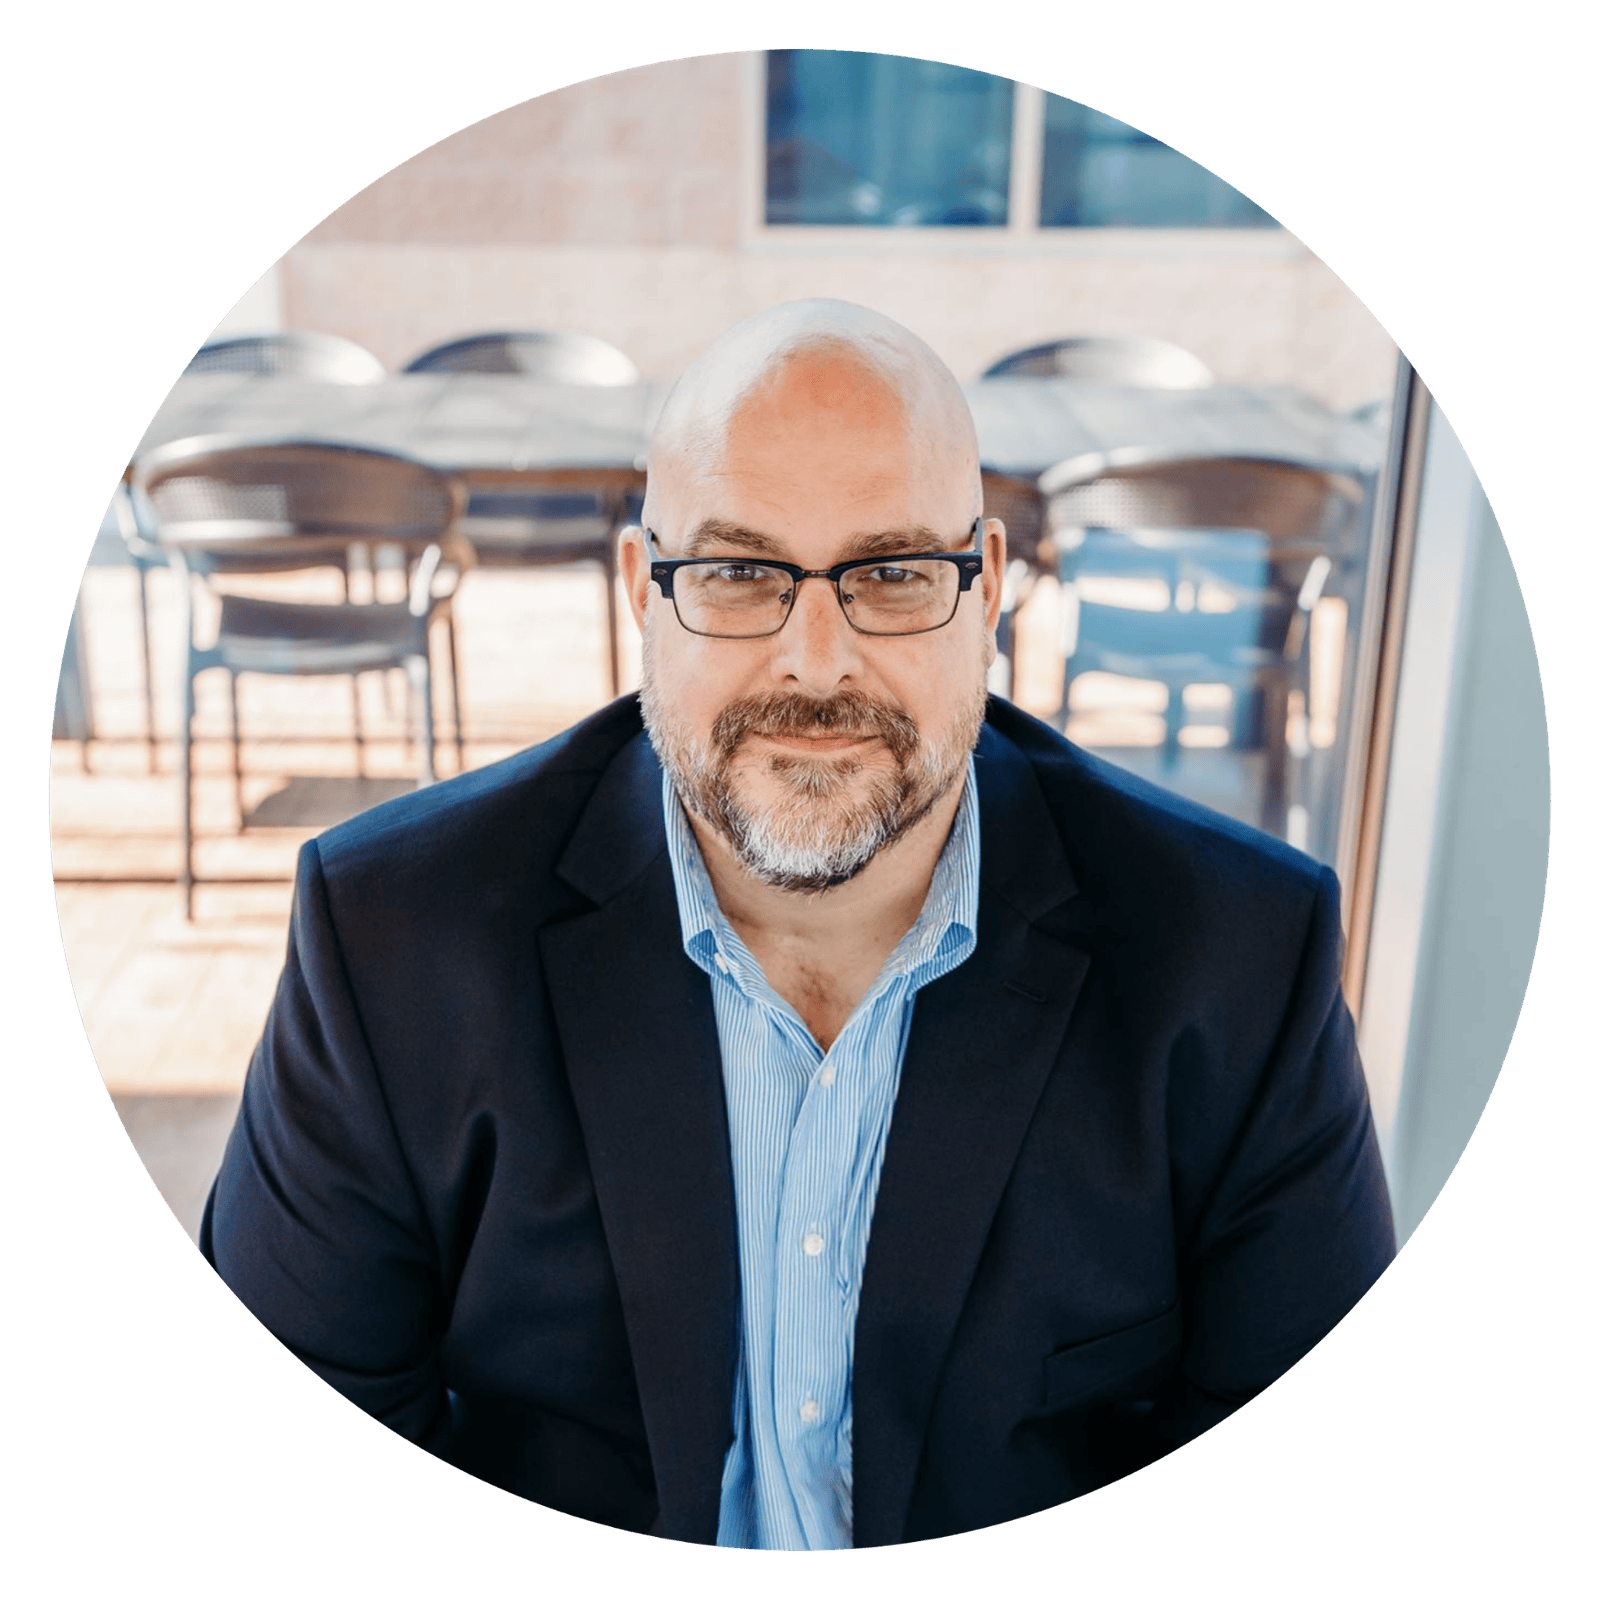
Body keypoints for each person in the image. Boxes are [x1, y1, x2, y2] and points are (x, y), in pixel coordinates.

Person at [202, 299, 1394, 1550]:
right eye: (735, 573)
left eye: (892, 573)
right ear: (642, 591)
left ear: (986, 587)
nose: (815, 663)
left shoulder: (1239, 960)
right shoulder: (390, 942)